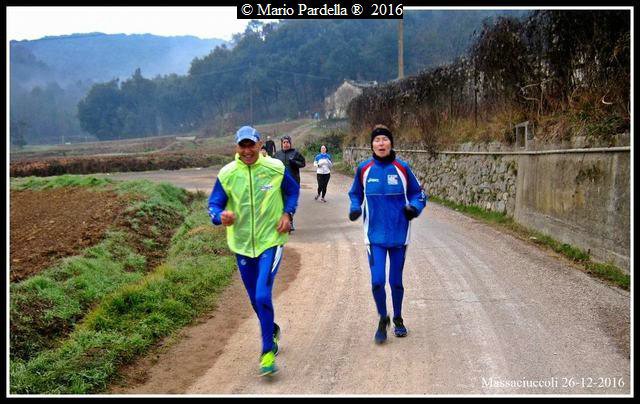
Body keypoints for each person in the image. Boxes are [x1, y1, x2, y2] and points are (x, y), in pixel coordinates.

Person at [208, 125, 300, 376]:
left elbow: (292, 191)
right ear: (237, 147)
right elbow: (214, 204)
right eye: (243, 145)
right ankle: (272, 329)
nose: (247, 150)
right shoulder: (227, 174)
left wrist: (287, 213)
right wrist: (220, 216)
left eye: (252, 145)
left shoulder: (275, 168)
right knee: (254, 299)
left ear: (260, 145)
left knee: (261, 295)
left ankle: (267, 352)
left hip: (271, 240)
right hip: (241, 245)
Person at [348, 124, 427, 344]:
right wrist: (354, 207)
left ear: (391, 143)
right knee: (377, 281)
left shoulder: (402, 168)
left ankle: (398, 318)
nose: (381, 143)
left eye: (384, 139)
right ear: (372, 145)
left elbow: (418, 194)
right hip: (374, 236)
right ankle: (383, 318)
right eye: (377, 140)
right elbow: (355, 194)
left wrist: (414, 208)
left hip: (399, 234)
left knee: (395, 282)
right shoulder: (364, 169)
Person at [274, 135, 305, 231]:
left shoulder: (295, 153)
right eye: (284, 142)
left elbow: (303, 163)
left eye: (287, 142)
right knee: (281, 202)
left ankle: (290, 222)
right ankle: (283, 221)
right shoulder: (277, 155)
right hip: (280, 183)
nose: (286, 144)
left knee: (290, 202)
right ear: (281, 144)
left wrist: (294, 162)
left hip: (293, 182)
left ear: (290, 143)